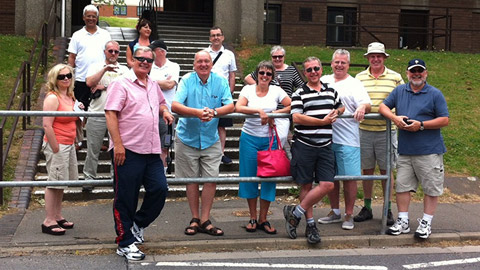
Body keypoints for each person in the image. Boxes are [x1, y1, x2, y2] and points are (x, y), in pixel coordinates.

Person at [105, 46, 173, 261]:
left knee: (160, 189)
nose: (144, 62)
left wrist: (165, 111)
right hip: (127, 150)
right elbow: (110, 114)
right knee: (126, 198)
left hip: (152, 150)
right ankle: (124, 242)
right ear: (132, 60)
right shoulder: (121, 83)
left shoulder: (153, 84)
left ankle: (137, 224)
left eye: (149, 60)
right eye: (140, 59)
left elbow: (161, 102)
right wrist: (118, 145)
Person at [379, 59, 449, 239]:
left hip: (429, 150)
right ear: (407, 73)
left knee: (431, 188)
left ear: (425, 73)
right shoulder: (400, 90)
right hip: (405, 150)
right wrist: (394, 118)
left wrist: (422, 125)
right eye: (413, 71)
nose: (416, 74)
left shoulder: (435, 94)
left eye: (420, 71)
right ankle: (403, 221)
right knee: (402, 187)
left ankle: (426, 222)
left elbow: (444, 119)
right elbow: (383, 106)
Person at [172, 50, 234, 237]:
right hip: (187, 138)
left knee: (210, 180)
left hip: (210, 139)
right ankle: (195, 218)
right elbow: (175, 105)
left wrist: (214, 112)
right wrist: (197, 112)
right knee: (191, 181)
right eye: (199, 61)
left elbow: (230, 106)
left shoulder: (221, 81)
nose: (203, 64)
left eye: (207, 61)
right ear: (194, 64)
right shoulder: (187, 80)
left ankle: (205, 219)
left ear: (211, 64)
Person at [283, 57, 344, 244]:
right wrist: (322, 122)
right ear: (305, 73)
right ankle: (310, 225)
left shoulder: (331, 90)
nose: (313, 72)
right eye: (309, 70)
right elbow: (298, 118)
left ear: (321, 69)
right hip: (304, 145)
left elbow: (341, 106)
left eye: (316, 68)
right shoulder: (299, 93)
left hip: (325, 146)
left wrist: (338, 112)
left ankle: (295, 213)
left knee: (328, 185)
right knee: (306, 186)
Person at [317, 49, 371, 230]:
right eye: (336, 62)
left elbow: (367, 104)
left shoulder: (355, 84)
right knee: (329, 177)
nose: (339, 65)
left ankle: (349, 214)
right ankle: (334, 211)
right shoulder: (323, 80)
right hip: (325, 138)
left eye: (343, 63)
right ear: (331, 63)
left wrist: (362, 107)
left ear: (348, 65)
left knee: (349, 178)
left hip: (348, 139)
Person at [235, 61, 291, 234]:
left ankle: (263, 218)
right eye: (262, 73)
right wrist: (259, 111)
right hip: (249, 138)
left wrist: (275, 114)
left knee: (268, 179)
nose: (265, 76)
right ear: (257, 74)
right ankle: (252, 217)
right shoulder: (248, 90)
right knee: (249, 177)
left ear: (272, 76)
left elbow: (291, 105)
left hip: (269, 139)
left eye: (268, 73)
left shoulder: (276, 90)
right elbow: (239, 106)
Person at [354, 42, 404, 226]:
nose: (376, 59)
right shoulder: (359, 78)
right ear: (368, 58)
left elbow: (403, 99)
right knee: (367, 169)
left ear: (384, 58)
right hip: (365, 130)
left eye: (379, 56)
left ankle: (387, 208)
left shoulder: (395, 77)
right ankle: (367, 206)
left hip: (387, 131)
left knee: (386, 170)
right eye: (372, 56)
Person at [82, 40, 129, 192]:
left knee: (116, 149)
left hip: (118, 116)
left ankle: (116, 178)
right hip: (97, 113)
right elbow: (89, 82)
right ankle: (89, 178)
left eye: (116, 51)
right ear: (105, 52)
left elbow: (128, 89)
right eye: (110, 51)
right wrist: (104, 70)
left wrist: (106, 86)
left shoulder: (125, 70)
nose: (113, 54)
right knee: (93, 148)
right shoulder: (96, 66)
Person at [41, 64, 79, 236]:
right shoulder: (52, 98)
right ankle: (48, 220)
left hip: (68, 143)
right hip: (57, 144)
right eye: (61, 76)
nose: (66, 79)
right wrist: (55, 147)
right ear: (54, 79)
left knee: (61, 181)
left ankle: (57, 214)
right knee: (54, 181)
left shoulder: (70, 96)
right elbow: (47, 124)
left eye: (68, 75)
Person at [244, 46, 305, 147]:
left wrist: (293, 97)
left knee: (279, 139)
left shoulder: (291, 70)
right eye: (275, 56)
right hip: (265, 108)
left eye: (280, 56)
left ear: (284, 57)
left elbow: (301, 86)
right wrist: (261, 86)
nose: (277, 59)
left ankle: (275, 158)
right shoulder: (266, 70)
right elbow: (248, 78)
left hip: (282, 110)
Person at [67, 4, 111, 111]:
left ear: (97, 18)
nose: (91, 19)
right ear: (83, 17)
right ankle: (80, 128)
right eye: (88, 16)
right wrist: (69, 74)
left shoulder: (105, 34)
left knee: (98, 110)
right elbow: (72, 57)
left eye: (93, 16)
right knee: (79, 110)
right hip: (81, 78)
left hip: (99, 80)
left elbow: (110, 55)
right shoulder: (77, 35)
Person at [205, 26, 237, 164]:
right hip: (206, 93)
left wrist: (229, 93)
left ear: (223, 37)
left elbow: (232, 74)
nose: (216, 37)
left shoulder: (229, 54)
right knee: (206, 121)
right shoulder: (204, 53)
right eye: (213, 35)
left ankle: (221, 153)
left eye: (218, 35)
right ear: (210, 38)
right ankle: (206, 151)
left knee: (221, 126)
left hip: (223, 94)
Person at [148, 39, 180, 173]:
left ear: (161, 52)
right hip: (149, 111)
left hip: (167, 111)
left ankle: (163, 172)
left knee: (165, 144)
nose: (150, 53)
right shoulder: (149, 66)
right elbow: (142, 80)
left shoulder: (173, 66)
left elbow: (170, 85)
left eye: (153, 50)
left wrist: (151, 82)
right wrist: (160, 83)